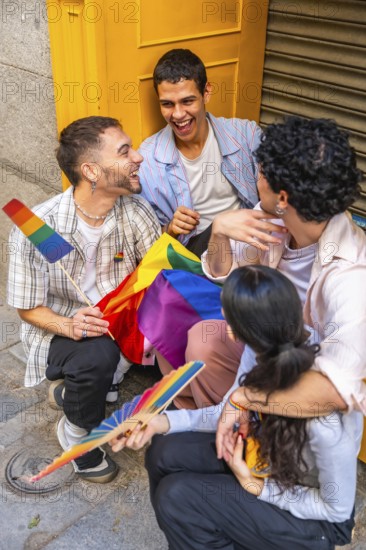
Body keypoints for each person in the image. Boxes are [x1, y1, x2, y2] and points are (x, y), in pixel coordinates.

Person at [112, 266, 363, 549]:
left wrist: (255, 485)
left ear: (235, 331)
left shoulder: (324, 420)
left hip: (314, 520)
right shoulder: (258, 350)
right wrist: (160, 422)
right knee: (162, 451)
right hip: (265, 460)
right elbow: (227, 413)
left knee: (177, 497)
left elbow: (336, 511)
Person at [166, 115, 366, 415]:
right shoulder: (276, 217)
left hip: (306, 368)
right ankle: (225, 426)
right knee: (197, 337)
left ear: (283, 197)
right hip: (264, 343)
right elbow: (219, 273)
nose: (256, 178)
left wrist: (243, 399)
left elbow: (337, 389)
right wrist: (219, 230)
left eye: (259, 173)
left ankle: (252, 430)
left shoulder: (351, 276)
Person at [7, 116, 161, 483]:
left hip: (120, 319)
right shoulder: (41, 227)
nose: (138, 156)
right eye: (125, 151)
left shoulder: (135, 212)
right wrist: (70, 325)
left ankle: (93, 382)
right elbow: (28, 307)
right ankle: (76, 434)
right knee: (96, 355)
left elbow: (158, 279)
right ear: (92, 170)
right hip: (61, 329)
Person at [138, 48, 282, 256]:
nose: (178, 114)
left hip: (253, 239)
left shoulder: (245, 135)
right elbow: (147, 248)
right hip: (198, 253)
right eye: (167, 104)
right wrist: (170, 229)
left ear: (206, 93)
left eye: (187, 101)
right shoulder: (148, 161)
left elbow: (278, 192)